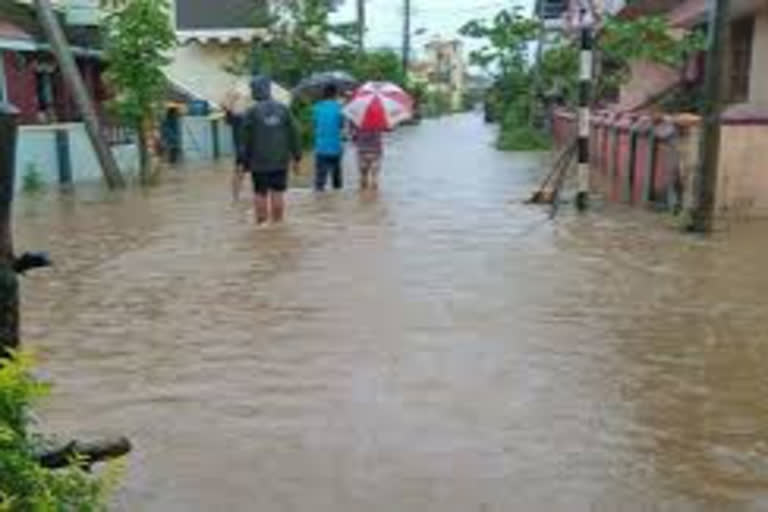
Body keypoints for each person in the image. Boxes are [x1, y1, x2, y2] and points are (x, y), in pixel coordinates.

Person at [240, 76, 302, 224]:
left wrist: (243, 161)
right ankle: (278, 225)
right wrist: (297, 156)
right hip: (280, 161)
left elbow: (244, 140)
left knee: (260, 192)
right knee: (278, 192)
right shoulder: (283, 109)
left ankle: (261, 225)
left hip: (258, 161)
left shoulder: (251, 112)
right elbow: (294, 133)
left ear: (255, 90)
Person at [312, 84, 344, 191]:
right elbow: (341, 126)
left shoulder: (316, 107)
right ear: (335, 94)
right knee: (337, 182)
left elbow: (315, 124)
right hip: (336, 147)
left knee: (319, 182)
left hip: (321, 147)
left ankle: (319, 203)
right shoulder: (339, 108)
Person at [353, 126, 384, 190]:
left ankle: (363, 197)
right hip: (376, 152)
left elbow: (354, 138)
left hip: (362, 152)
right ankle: (374, 197)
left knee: (363, 176)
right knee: (375, 177)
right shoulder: (378, 122)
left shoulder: (359, 122)